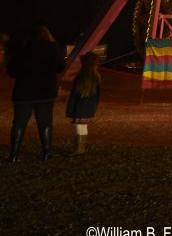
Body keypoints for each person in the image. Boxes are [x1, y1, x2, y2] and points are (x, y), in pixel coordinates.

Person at [8, 25, 66, 163]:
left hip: (23, 93)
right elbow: (61, 67)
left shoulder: (22, 50)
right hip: (45, 92)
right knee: (45, 123)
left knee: (19, 124)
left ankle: (14, 155)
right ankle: (46, 153)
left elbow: (12, 71)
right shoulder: (54, 49)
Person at [65, 52, 102, 155]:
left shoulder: (80, 77)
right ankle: (82, 147)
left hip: (79, 108)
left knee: (79, 127)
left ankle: (79, 149)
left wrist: (70, 110)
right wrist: (94, 108)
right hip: (89, 108)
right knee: (84, 126)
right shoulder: (96, 77)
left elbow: (74, 96)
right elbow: (97, 96)